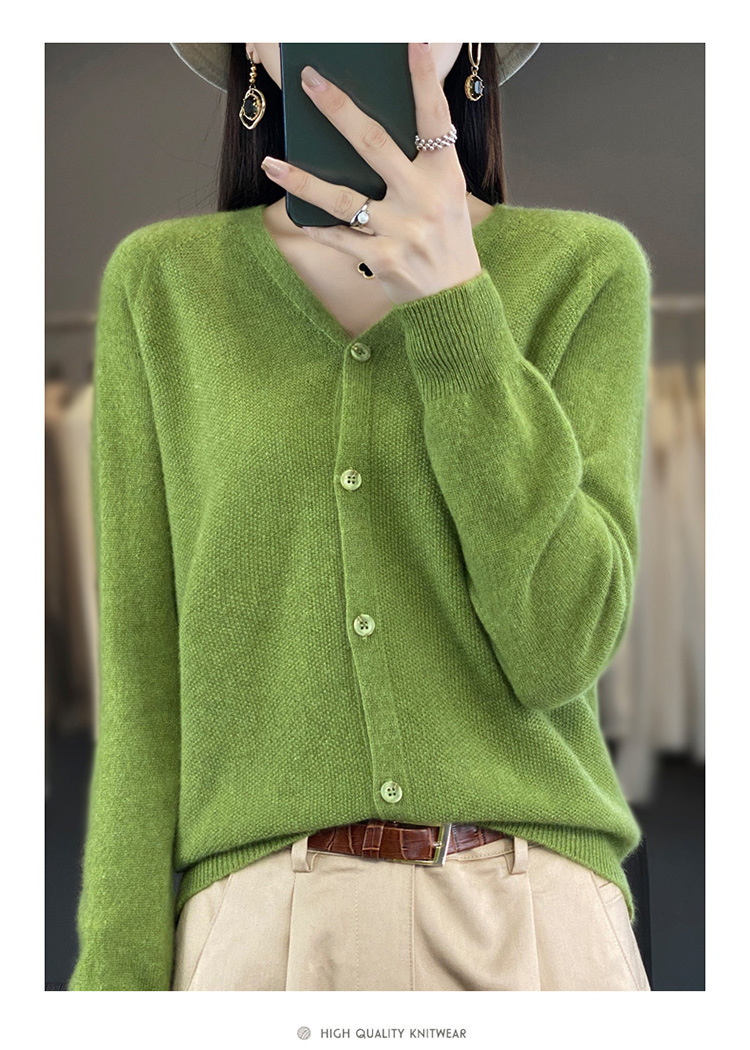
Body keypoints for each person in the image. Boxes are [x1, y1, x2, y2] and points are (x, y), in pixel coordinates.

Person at [68, 41, 653, 992]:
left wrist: (457, 307)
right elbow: (141, 687)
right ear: (247, 41)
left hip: (536, 927)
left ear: (472, 40)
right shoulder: (162, 286)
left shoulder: (583, 270)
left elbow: (560, 647)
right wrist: (110, 1000)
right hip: (260, 934)